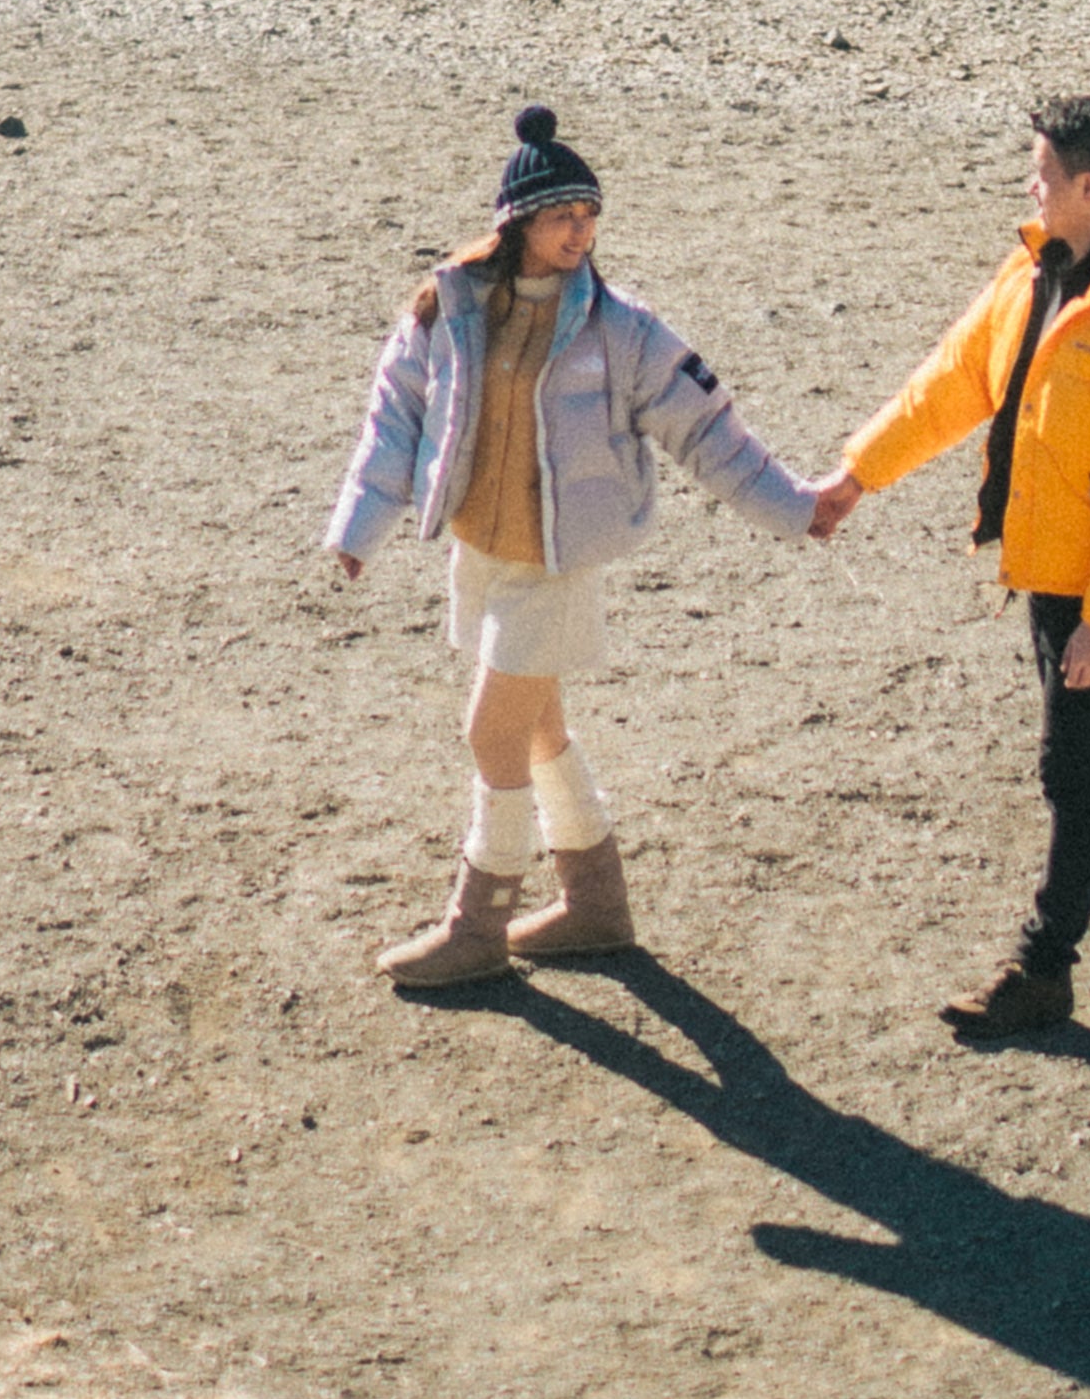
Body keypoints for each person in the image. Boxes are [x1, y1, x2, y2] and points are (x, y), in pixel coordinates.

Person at [326, 104, 822, 988]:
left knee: (491, 731)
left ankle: (479, 924)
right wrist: (361, 527)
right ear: (518, 221)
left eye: (589, 217)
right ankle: (597, 905)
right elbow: (395, 415)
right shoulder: (450, 308)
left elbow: (707, 429)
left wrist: (797, 508)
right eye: (563, 216)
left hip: (554, 564)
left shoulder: (623, 330)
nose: (580, 232)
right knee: (539, 725)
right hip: (480, 549)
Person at [810, 92, 1090, 1044]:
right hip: (1053, 562)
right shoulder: (1036, 272)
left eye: (1040, 172)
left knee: (1073, 764)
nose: (1025, 184)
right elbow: (955, 381)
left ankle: (1043, 969)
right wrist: (857, 477)